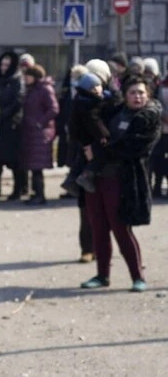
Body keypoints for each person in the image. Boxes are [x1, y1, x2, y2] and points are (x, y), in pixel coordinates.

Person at [81, 75, 161, 292]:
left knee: (121, 229)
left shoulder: (148, 118)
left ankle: (138, 277)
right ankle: (102, 276)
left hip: (123, 179)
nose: (137, 97)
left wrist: (97, 151)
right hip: (97, 177)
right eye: (133, 93)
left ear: (148, 95)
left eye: (141, 93)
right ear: (125, 96)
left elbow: (132, 148)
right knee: (98, 228)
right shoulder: (114, 112)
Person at [20, 65, 59, 205]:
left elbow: (54, 109)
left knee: (37, 167)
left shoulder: (44, 89)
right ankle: (36, 193)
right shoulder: (31, 90)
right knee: (33, 166)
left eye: (28, 75)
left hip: (40, 133)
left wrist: (39, 123)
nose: (25, 78)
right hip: (31, 133)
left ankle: (40, 195)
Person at [0, 51, 26, 200]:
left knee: (14, 161)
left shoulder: (17, 81)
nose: (3, 68)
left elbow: (18, 102)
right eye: (2, 64)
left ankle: (18, 189)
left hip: (12, 125)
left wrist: (3, 114)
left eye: (7, 65)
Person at [153, 67, 168, 198]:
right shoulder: (161, 85)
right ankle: (157, 187)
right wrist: (163, 116)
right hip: (162, 129)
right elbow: (156, 103)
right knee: (159, 160)